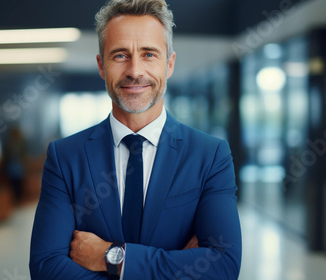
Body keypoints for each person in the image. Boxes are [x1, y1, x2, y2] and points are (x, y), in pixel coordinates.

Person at [29, 0, 241, 279]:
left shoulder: (210, 155)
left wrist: (112, 257)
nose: (135, 71)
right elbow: (46, 268)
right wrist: (175, 264)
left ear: (170, 64)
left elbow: (222, 265)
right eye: (120, 55)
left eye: (149, 54)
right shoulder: (65, 157)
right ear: (101, 66)